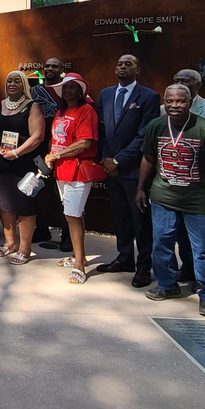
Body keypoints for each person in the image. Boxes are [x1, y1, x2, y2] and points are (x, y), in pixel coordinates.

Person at [137, 84, 205, 318]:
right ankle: (167, 285)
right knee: (162, 243)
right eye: (170, 101)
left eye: (180, 101)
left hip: (199, 201)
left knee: (204, 250)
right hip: (163, 197)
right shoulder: (156, 126)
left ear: (190, 102)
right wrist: (141, 188)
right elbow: (148, 159)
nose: (174, 106)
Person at [95, 54, 161, 288]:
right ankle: (124, 258)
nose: (123, 67)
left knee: (140, 221)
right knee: (120, 217)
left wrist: (119, 160)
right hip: (110, 170)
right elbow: (101, 129)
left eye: (128, 64)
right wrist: (105, 158)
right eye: (120, 63)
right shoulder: (105, 94)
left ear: (138, 69)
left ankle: (144, 267)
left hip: (134, 170)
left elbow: (145, 134)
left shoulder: (149, 97)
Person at [159, 68, 205, 283]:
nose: (181, 83)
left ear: (198, 85)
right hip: (169, 186)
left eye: (186, 80)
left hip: (199, 186)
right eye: (176, 79)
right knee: (171, 237)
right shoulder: (162, 111)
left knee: (202, 242)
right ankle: (183, 272)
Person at [45, 73, 101, 285]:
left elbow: (85, 143)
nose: (67, 91)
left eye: (71, 87)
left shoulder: (86, 110)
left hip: (78, 170)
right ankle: (82, 256)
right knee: (73, 214)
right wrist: (51, 156)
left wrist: (57, 155)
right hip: (61, 171)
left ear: (80, 91)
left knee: (73, 215)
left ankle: (79, 265)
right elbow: (55, 139)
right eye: (64, 88)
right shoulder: (61, 111)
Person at [0, 71, 45, 264]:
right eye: (9, 80)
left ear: (24, 86)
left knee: (24, 206)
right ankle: (10, 242)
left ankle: (25, 249)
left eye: (17, 81)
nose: (12, 84)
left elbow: (37, 137)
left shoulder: (32, 106)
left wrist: (17, 152)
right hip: (1, 164)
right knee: (5, 204)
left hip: (23, 164)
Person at [32, 57, 70, 251]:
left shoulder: (68, 91)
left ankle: (67, 235)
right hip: (37, 151)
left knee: (63, 196)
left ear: (62, 69)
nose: (50, 69)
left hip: (63, 152)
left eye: (55, 66)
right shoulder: (34, 92)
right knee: (40, 193)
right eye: (47, 66)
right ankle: (42, 229)